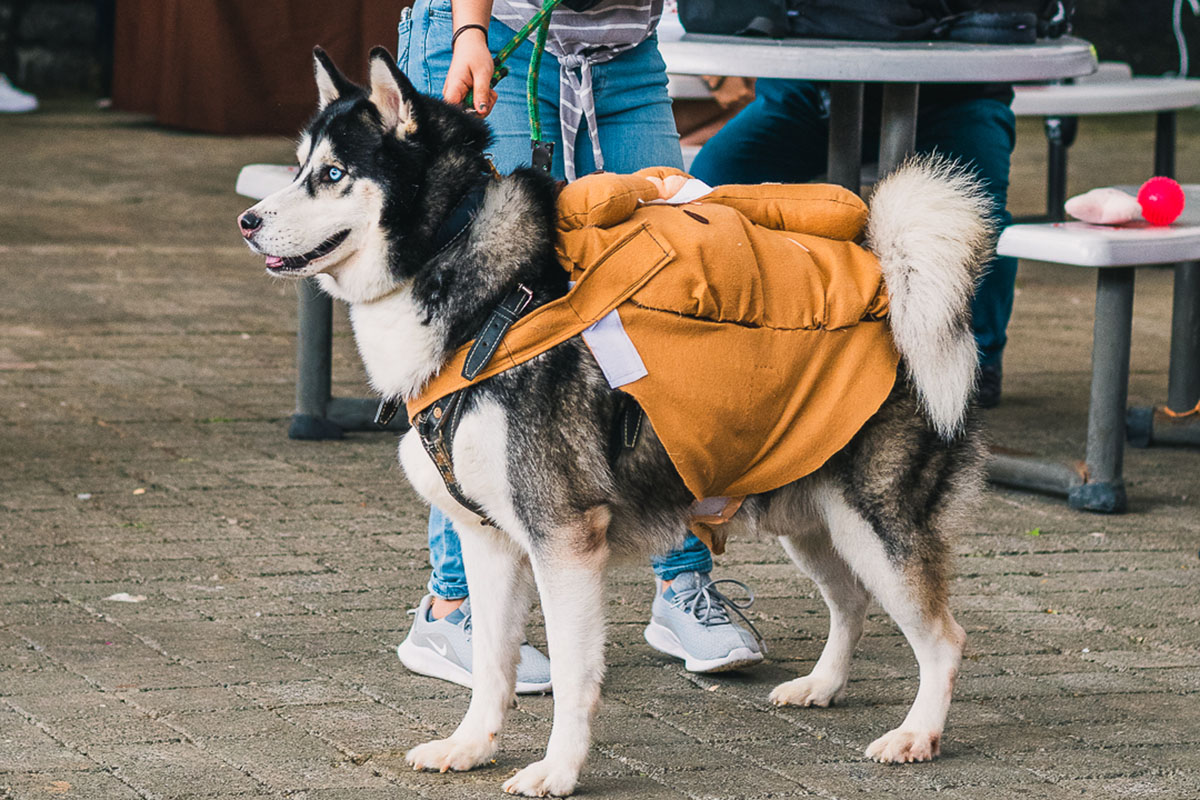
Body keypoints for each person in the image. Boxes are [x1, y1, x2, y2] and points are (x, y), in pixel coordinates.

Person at [394, 0, 765, 693]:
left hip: (623, 51)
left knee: (668, 292)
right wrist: (470, 30)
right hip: (491, 31)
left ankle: (682, 580)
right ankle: (453, 607)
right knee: (492, 315)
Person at [689, 80, 1017, 407]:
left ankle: (977, 358)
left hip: (954, 98)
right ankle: (727, 340)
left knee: (980, 215)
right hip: (808, 97)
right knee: (711, 185)